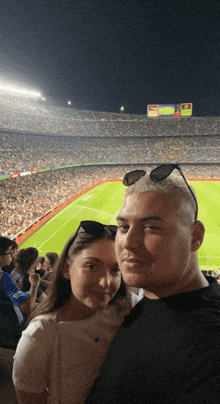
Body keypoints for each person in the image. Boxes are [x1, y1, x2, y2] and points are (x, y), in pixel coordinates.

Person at [85, 165, 220, 403]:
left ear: (195, 236)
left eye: (151, 227)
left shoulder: (211, 342)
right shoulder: (146, 301)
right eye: (124, 227)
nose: (127, 242)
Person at [12, 221, 141, 404]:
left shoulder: (127, 309)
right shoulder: (39, 338)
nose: (106, 283)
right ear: (66, 269)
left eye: (115, 269)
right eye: (91, 266)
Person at [0, 237, 41, 349]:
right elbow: (27, 308)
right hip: (13, 327)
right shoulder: (4, 277)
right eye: (10, 253)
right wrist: (35, 284)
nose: (13, 256)